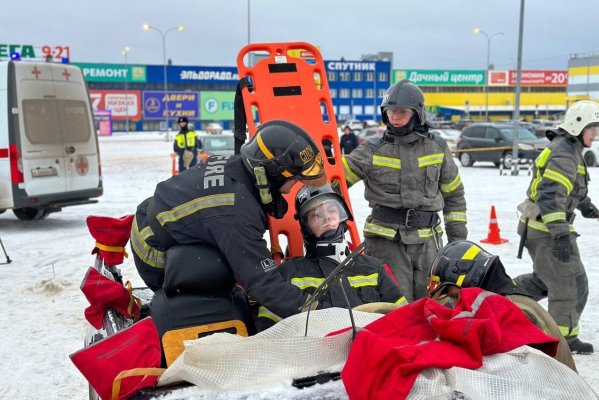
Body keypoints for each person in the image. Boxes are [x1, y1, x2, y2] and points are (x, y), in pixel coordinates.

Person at [131, 119, 327, 320]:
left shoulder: (237, 168)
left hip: (152, 218)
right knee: (227, 280)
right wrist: (316, 313)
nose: (296, 184)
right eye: (294, 178)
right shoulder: (237, 212)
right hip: (153, 252)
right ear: (273, 173)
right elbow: (262, 283)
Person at [341, 79, 467, 301]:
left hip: (429, 245)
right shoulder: (371, 149)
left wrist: (457, 243)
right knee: (394, 308)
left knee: (433, 304)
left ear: (417, 113)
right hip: (386, 244)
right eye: (390, 112)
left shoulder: (437, 146)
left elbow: (454, 195)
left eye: (401, 112)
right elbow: (336, 183)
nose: (395, 117)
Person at [256, 184, 407, 330]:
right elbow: (268, 332)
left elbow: (406, 317)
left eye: (332, 210)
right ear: (306, 227)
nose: (327, 218)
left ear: (342, 215)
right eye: (316, 215)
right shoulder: (288, 274)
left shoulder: (373, 268)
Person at [514, 100, 599, 355]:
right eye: (592, 128)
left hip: (541, 228)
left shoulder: (569, 150)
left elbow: (569, 188)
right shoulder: (564, 153)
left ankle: (503, 296)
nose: (595, 134)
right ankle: (562, 339)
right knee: (570, 283)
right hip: (548, 231)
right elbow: (551, 196)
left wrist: (586, 206)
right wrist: (561, 235)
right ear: (578, 126)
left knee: (545, 279)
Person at [427, 240, 577, 372]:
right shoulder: (509, 301)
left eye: (455, 296)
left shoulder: (513, 312)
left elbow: (515, 376)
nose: (457, 304)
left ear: (468, 280)